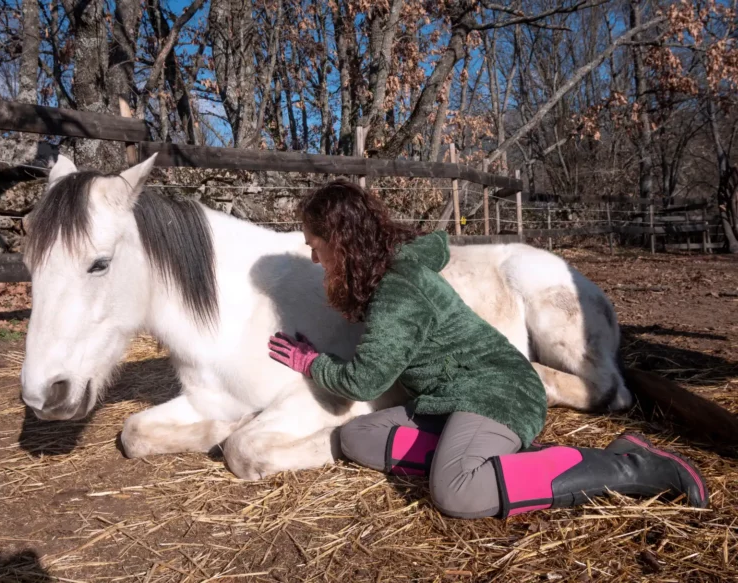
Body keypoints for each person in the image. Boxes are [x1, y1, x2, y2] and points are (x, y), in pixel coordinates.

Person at [267, 180, 708, 519]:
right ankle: (503, 464)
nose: (313, 260)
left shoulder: (396, 293)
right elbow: (435, 244)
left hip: (497, 391)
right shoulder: (396, 266)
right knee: (355, 437)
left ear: (341, 246)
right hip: (449, 398)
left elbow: (365, 382)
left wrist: (311, 362)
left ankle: (633, 465)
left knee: (456, 491)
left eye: (316, 247)